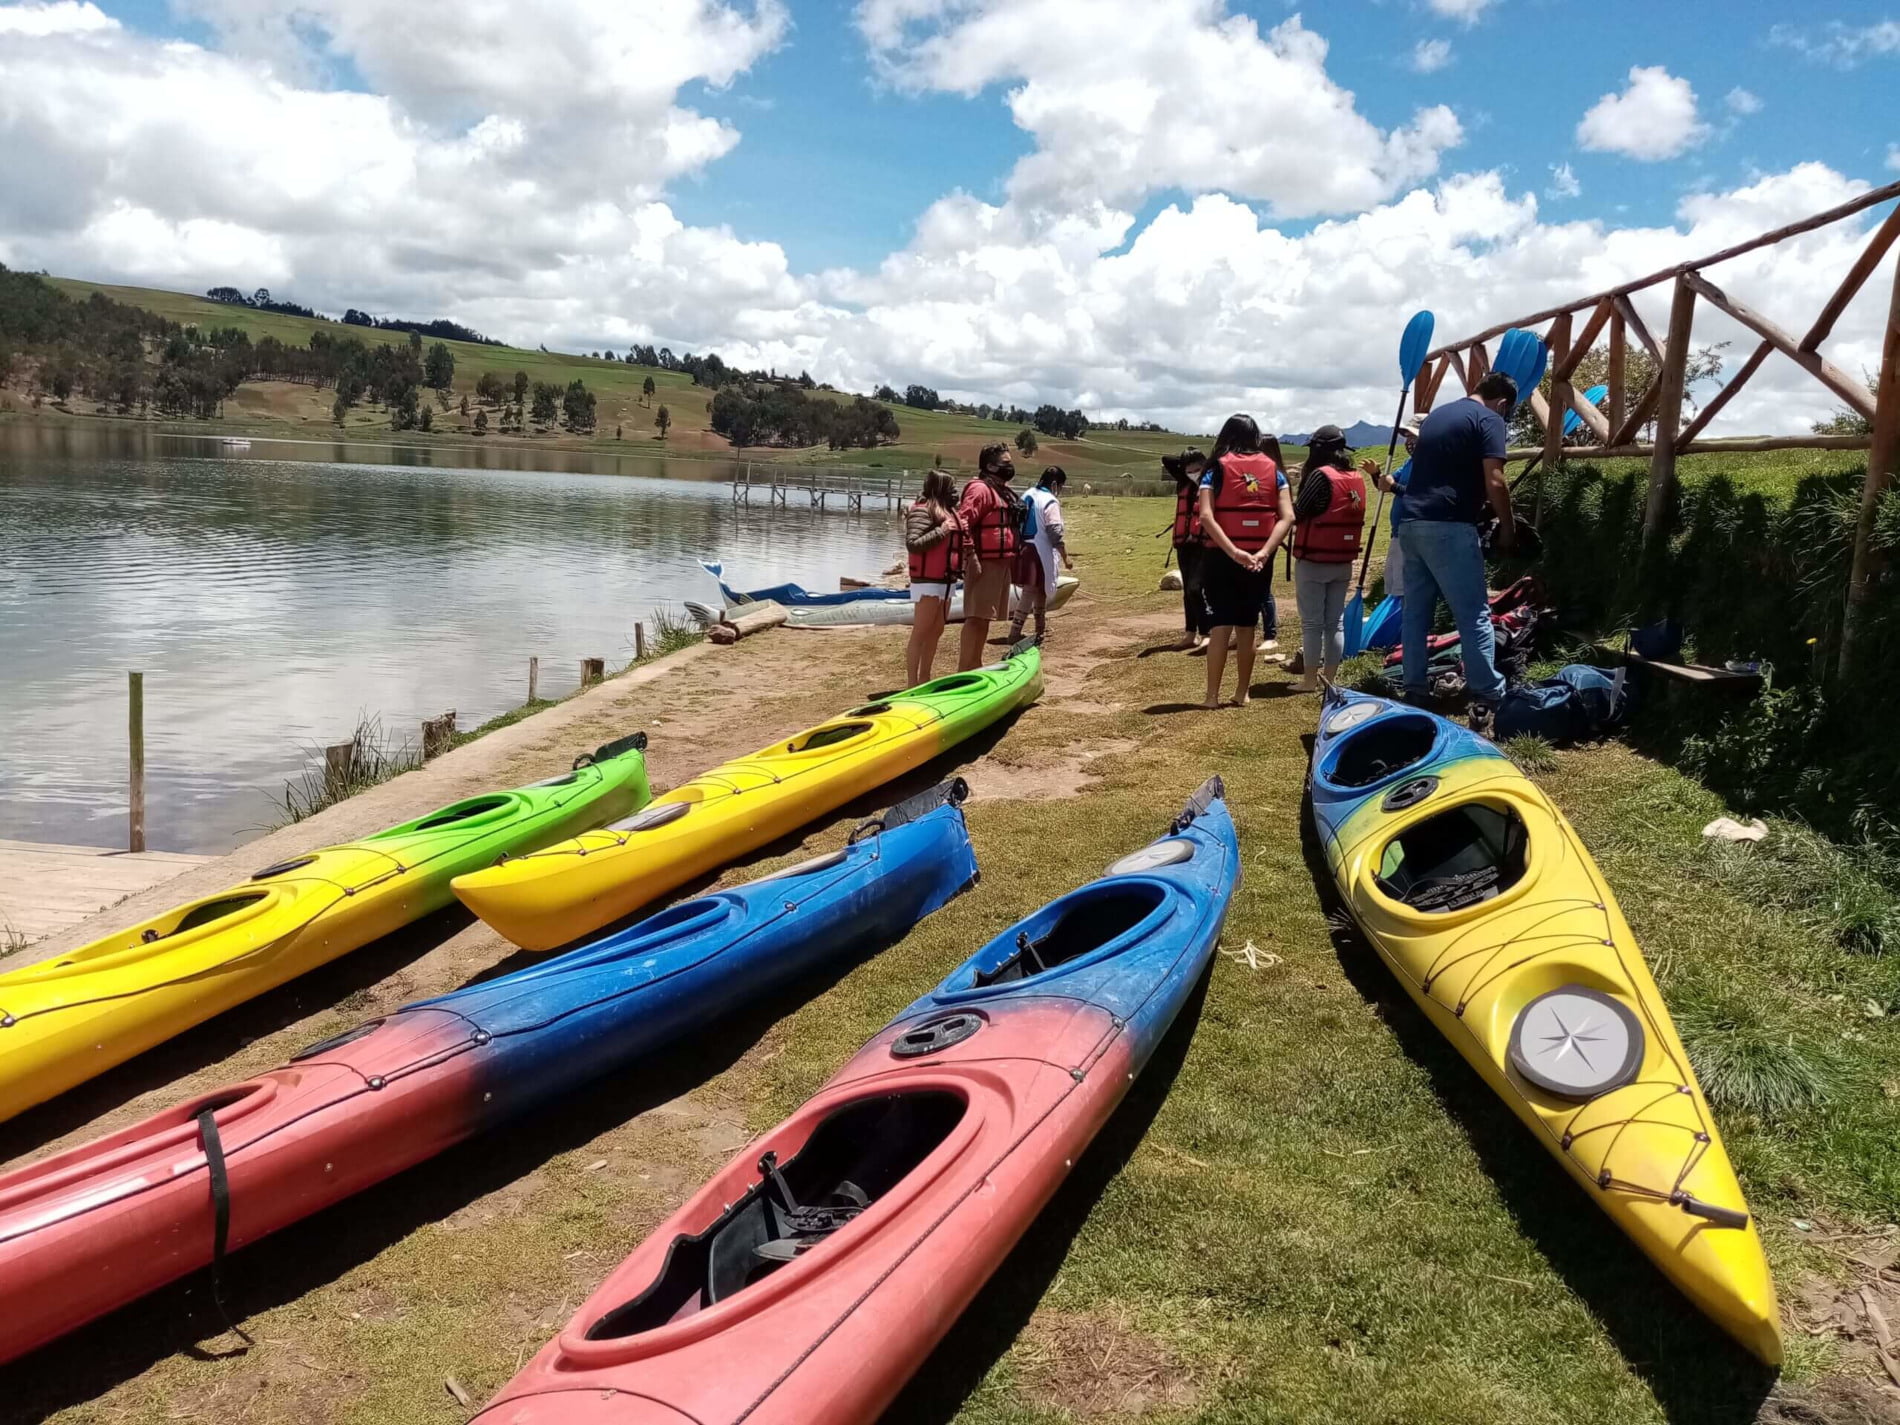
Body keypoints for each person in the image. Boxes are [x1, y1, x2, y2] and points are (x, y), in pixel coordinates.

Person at [1396, 373, 1517, 731]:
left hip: (1411, 523)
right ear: (1504, 403)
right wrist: (1507, 528)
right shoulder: (1490, 419)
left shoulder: (1437, 416)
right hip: (1449, 526)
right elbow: (1495, 479)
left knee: (1416, 614)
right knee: (1474, 613)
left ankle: (1415, 689)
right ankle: (1488, 694)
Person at [1196, 414, 1294, 708]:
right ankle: (1242, 693)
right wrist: (1264, 551)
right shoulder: (1274, 471)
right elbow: (1287, 516)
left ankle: (1211, 697)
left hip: (1222, 557)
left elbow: (1205, 515)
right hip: (1259, 560)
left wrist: (1233, 551)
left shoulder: (1214, 469)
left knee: (1220, 627)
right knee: (1248, 626)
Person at [1289, 425, 1366, 692]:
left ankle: (1309, 681)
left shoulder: (1321, 477)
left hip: (1314, 560)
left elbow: (1298, 512)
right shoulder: (1355, 476)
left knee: (1312, 623)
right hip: (1343, 561)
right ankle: (1330, 681)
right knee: (1335, 623)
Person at [956, 442, 1025, 671]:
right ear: (989, 466)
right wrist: (971, 556)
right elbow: (962, 521)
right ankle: (965, 668)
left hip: (999, 564)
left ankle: (975, 663)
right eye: (1005, 463)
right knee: (976, 618)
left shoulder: (999, 490)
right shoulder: (980, 490)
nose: (1010, 467)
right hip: (983, 563)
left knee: (984, 618)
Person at [903, 469, 962, 686]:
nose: (955, 491)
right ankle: (912, 683)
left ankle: (925, 677)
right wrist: (942, 531)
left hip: (946, 581)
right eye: (951, 486)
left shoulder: (949, 511)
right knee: (921, 631)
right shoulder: (922, 511)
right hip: (927, 581)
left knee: (937, 630)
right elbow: (913, 543)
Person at [1010, 466, 1073, 643]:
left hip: (1023, 547)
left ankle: (1040, 629)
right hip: (1038, 551)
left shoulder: (1027, 494)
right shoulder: (1050, 501)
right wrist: (1066, 556)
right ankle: (1015, 632)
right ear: (1054, 484)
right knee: (1031, 590)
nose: (1059, 491)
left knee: (1040, 589)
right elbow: (1054, 532)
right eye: (1060, 486)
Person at [1360, 418, 1420, 599]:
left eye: (1414, 437)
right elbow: (1384, 485)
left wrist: (1393, 486)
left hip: (1413, 534)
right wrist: (1376, 474)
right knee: (1393, 584)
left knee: (1403, 588)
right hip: (1397, 533)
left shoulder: (1429, 464)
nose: (1409, 442)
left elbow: (1420, 496)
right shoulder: (1410, 463)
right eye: (1407, 437)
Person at [1162, 448, 1210, 650]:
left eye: (1197, 468)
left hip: (1203, 544)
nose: (1193, 472)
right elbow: (1166, 458)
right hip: (1184, 545)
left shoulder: (1210, 484)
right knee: (1188, 593)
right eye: (1189, 468)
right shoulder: (1182, 482)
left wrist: (1205, 467)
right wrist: (1185, 461)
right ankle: (1190, 633)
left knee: (1195, 589)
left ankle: (1207, 633)